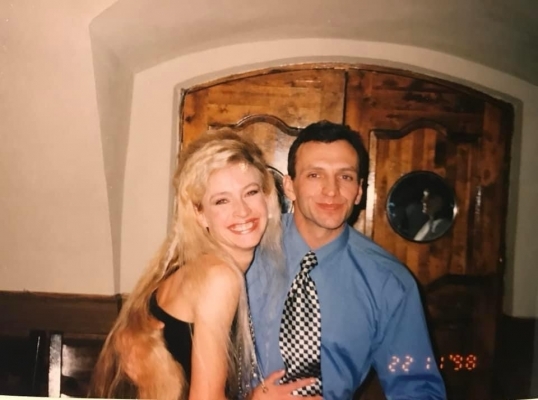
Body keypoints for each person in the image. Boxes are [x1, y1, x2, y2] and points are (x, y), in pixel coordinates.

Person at [90, 130, 313, 399]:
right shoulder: (219, 277)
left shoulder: (192, 263)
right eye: (221, 200)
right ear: (200, 214)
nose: (242, 211)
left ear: (267, 197)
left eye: (251, 192)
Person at [247, 121, 447, 399]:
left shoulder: (389, 283)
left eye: (345, 176)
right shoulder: (245, 252)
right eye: (315, 175)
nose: (331, 190)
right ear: (290, 187)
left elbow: (416, 387)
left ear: (359, 191)